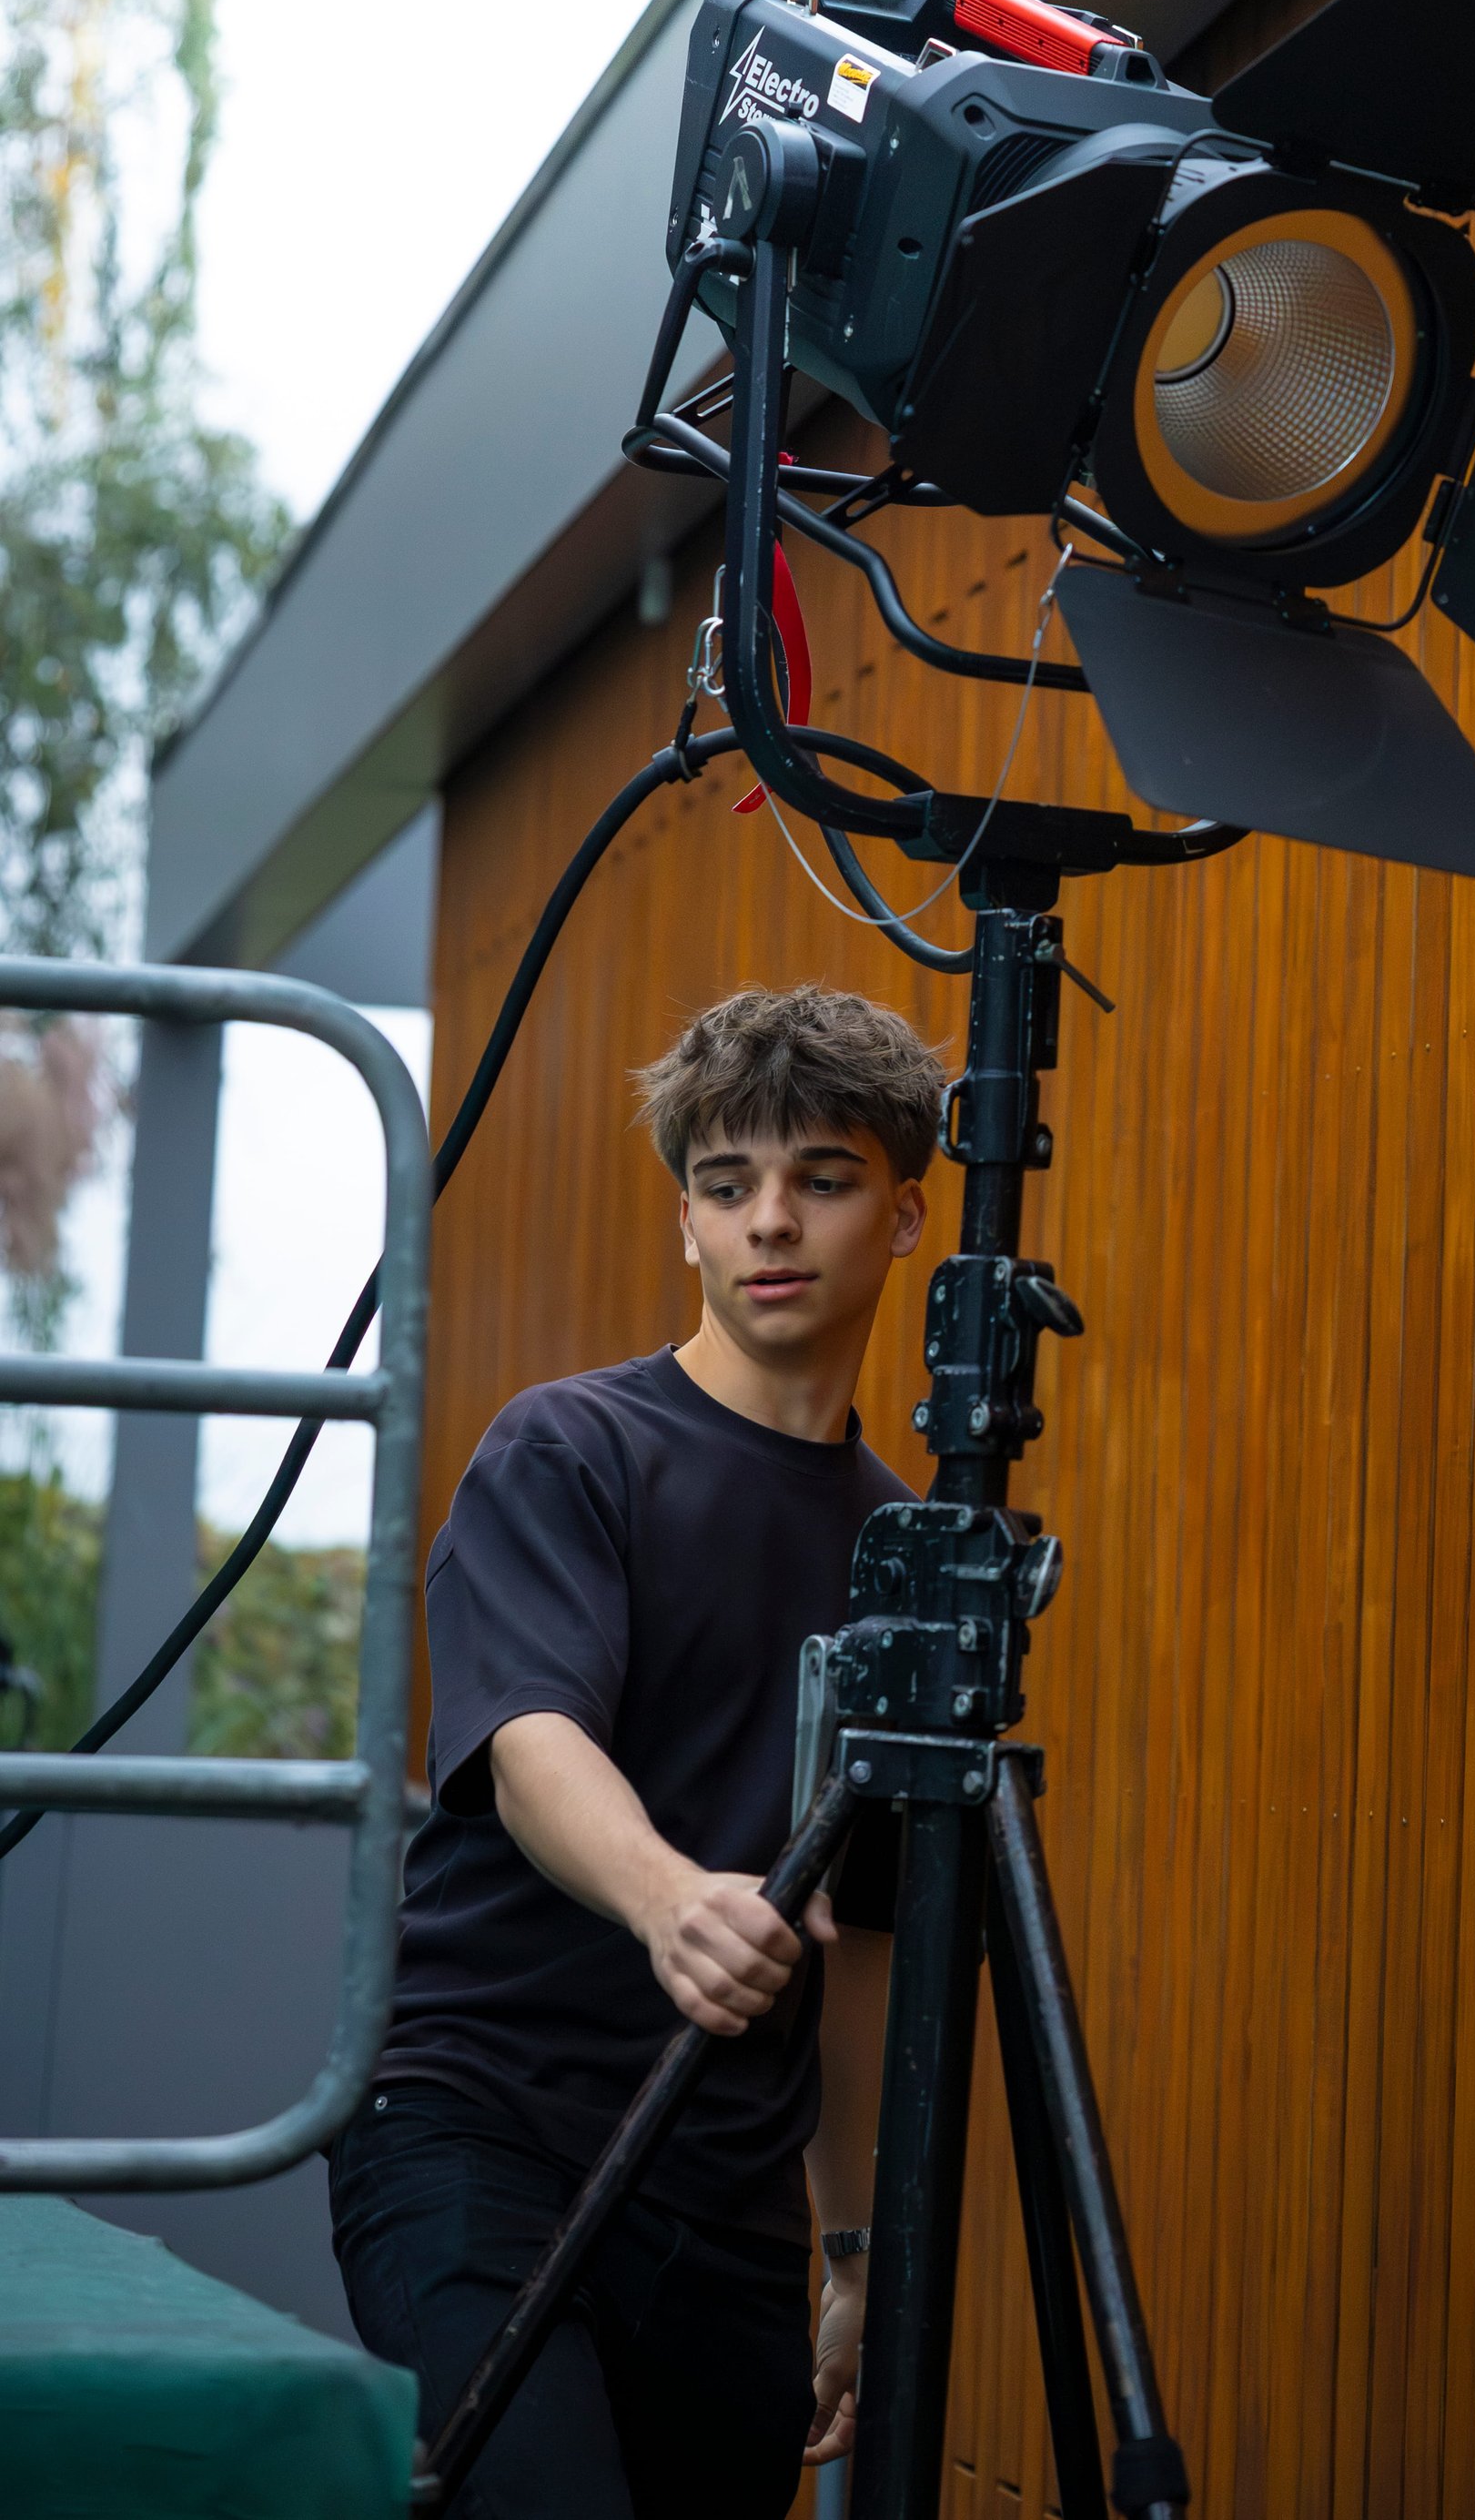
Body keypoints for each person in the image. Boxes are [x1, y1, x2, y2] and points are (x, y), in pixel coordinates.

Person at [328, 982, 943, 2520]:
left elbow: (861, 1942)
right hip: (482, 2132)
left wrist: (851, 2250)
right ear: (685, 1224)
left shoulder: (904, 1549)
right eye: (728, 1188)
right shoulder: (571, 1447)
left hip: (726, 2212)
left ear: (910, 1210)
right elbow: (531, 1740)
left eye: (822, 1176)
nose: (771, 1223)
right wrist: (673, 1897)